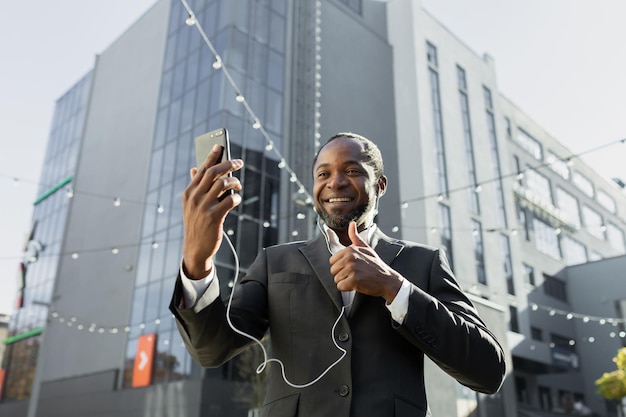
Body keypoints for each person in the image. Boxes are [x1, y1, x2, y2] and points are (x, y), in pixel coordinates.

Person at [170, 132, 506, 417]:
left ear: (381, 185)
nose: (336, 182)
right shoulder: (276, 262)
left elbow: (488, 371)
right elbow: (211, 349)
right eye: (323, 173)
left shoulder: (423, 262)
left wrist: (393, 286)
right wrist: (196, 262)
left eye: (351, 170)